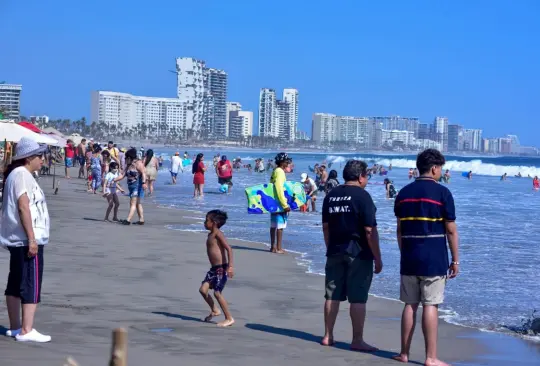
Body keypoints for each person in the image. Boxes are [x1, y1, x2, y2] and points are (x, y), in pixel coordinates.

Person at [393, 149, 459, 366]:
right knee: (430, 305)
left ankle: (404, 353)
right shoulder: (442, 194)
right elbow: (450, 230)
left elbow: (399, 230)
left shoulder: (403, 193)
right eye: (440, 168)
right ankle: (430, 357)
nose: (440, 172)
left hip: (410, 257)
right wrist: (455, 260)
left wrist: (405, 253)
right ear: (434, 168)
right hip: (434, 259)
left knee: (409, 305)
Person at [321, 159, 382, 351]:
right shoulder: (363, 197)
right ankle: (357, 340)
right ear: (361, 176)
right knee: (358, 298)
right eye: (367, 176)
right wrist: (378, 258)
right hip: (358, 252)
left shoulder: (331, 195)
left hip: (335, 250)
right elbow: (369, 230)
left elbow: (326, 227)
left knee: (332, 294)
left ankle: (328, 336)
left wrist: (330, 247)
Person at [0, 137, 52, 342]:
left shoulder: (17, 174)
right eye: (40, 156)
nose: (43, 160)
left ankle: (15, 327)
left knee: (15, 282)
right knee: (31, 283)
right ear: (29, 157)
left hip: (18, 239)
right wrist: (32, 239)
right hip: (26, 240)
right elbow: (23, 206)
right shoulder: (21, 174)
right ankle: (26, 330)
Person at [199, 210, 235, 327]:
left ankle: (229, 318)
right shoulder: (210, 234)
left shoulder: (218, 234)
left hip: (221, 269)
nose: (204, 223)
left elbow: (229, 249)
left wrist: (230, 267)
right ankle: (215, 310)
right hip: (213, 269)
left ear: (214, 223)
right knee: (203, 290)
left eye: (206, 220)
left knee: (217, 293)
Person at [114, 148, 147, 225]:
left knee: (133, 203)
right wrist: (113, 180)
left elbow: (143, 173)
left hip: (137, 186)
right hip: (131, 187)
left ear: (129, 157)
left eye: (126, 158)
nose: (125, 159)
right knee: (138, 203)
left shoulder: (138, 164)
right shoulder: (129, 165)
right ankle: (141, 219)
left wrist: (143, 183)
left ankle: (128, 220)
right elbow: (122, 175)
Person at [269, 153, 292, 254]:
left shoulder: (275, 170)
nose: (288, 163)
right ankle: (278, 248)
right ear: (282, 162)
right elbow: (279, 189)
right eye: (286, 161)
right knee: (280, 226)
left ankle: (272, 247)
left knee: (273, 225)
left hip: (273, 202)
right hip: (279, 203)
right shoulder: (280, 172)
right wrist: (285, 205)